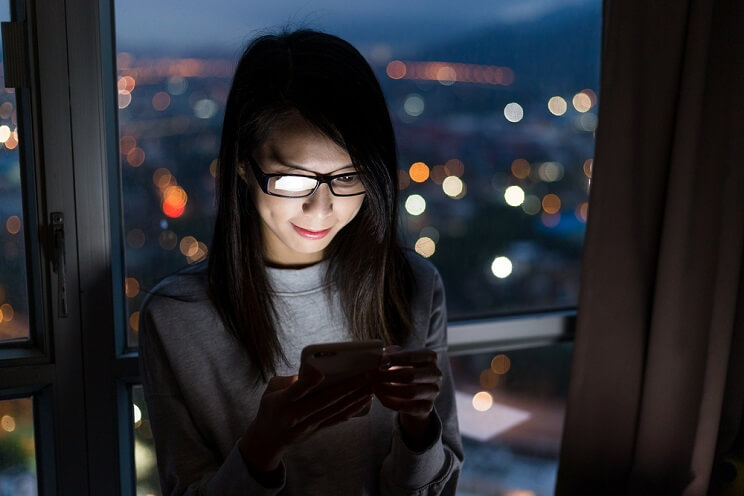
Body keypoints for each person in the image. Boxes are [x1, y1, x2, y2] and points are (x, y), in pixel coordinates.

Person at [138, 28, 464, 495]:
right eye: (293, 181)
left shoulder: (411, 285)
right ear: (243, 168)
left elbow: (441, 488)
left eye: (348, 177)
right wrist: (261, 447)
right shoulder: (177, 317)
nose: (321, 208)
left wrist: (417, 424)